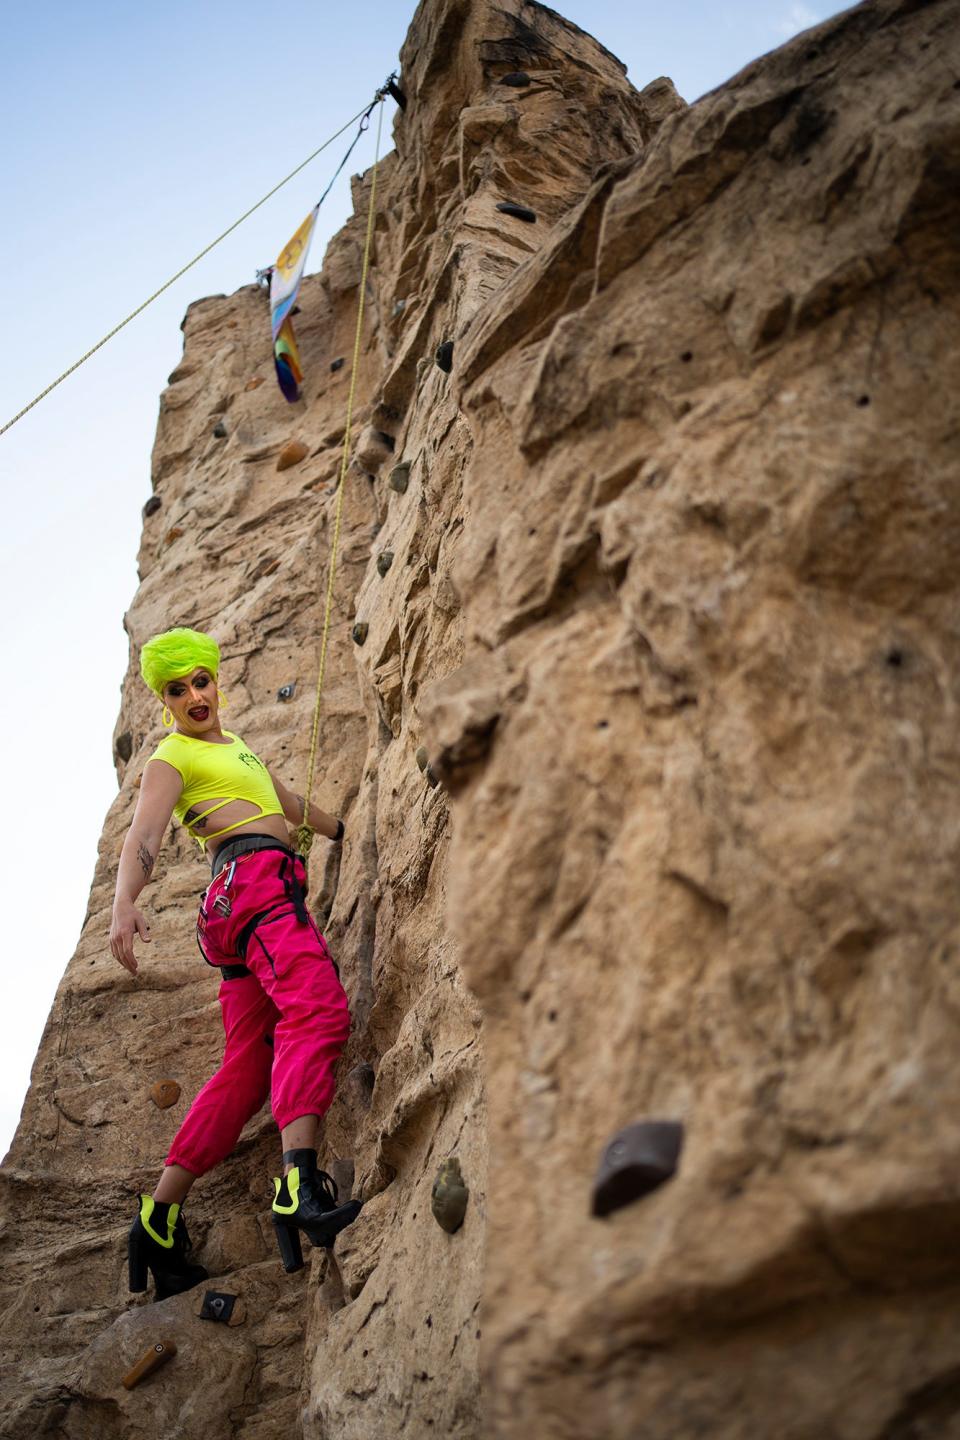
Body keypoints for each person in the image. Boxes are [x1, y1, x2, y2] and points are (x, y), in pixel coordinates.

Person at [110, 626, 360, 1300]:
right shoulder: (173, 754)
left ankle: (158, 1219)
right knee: (319, 1010)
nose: (194, 694)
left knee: (248, 1069)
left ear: (216, 682)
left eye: (201, 680)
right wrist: (123, 902)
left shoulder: (236, 750)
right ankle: (299, 1186)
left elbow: (286, 803)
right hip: (250, 885)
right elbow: (144, 834)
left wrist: (345, 827)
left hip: (239, 905)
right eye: (177, 688)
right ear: (164, 702)